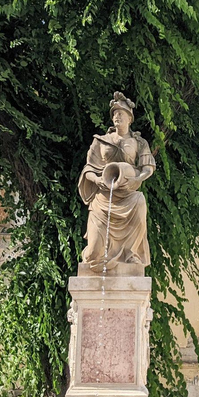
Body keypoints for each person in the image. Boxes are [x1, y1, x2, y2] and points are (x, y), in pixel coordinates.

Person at [78, 92, 156, 271]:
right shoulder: (101, 141)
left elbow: (147, 168)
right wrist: (97, 180)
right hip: (104, 198)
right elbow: (88, 168)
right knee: (91, 256)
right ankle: (94, 253)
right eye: (114, 114)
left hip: (128, 196)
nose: (116, 117)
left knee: (140, 201)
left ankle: (131, 253)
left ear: (130, 118)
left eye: (121, 113)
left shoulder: (139, 142)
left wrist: (137, 179)